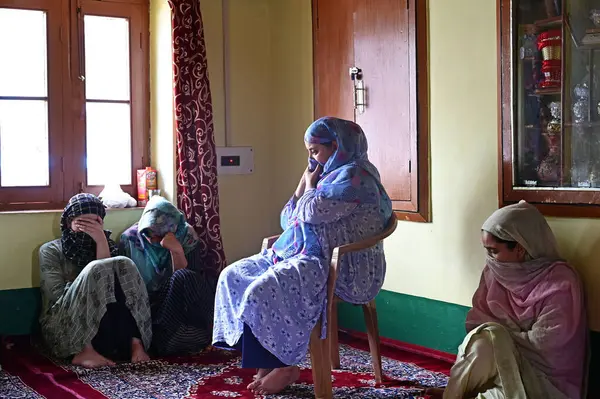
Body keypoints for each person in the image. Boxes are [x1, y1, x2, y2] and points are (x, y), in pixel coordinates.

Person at [212, 116, 393, 395]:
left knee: (263, 289)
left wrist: (309, 187)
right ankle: (266, 360)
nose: (313, 160)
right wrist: (304, 182)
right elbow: (288, 218)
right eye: (309, 153)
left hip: (338, 265)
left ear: (338, 146)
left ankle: (285, 366)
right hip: (304, 254)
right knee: (232, 276)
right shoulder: (327, 176)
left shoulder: (355, 177)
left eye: (316, 151)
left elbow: (310, 212)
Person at [428, 201, 587, 399]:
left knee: (493, 336)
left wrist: (502, 337)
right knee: (485, 340)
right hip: (497, 369)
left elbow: (547, 345)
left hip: (543, 380)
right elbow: (478, 322)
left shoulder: (560, 283)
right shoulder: (494, 274)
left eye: (493, 251)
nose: (489, 258)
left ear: (519, 248)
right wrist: (501, 337)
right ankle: (452, 395)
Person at [39, 193, 152, 368]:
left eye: (94, 223)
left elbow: (116, 288)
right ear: (69, 223)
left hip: (107, 325)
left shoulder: (108, 245)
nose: (88, 228)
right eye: (83, 223)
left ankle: (136, 343)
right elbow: (57, 295)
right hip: (66, 325)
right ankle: (84, 351)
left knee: (123, 264)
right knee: (97, 269)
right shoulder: (50, 251)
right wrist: (88, 280)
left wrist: (100, 240)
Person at [120, 196, 219, 356]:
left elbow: (188, 284)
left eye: (158, 235)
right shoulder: (130, 240)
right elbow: (126, 289)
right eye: (148, 233)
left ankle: (169, 340)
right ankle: (166, 341)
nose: (152, 239)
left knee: (184, 276)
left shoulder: (187, 235)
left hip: (178, 306)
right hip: (147, 308)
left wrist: (176, 251)